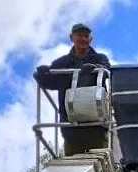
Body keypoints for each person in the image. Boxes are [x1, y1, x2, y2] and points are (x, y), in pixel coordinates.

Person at [34, 23, 111, 156]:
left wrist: (94, 68)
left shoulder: (100, 58)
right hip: (71, 127)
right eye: (79, 35)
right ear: (71, 38)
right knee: (72, 165)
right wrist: (41, 76)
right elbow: (51, 82)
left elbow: (106, 70)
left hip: (96, 125)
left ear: (90, 39)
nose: (83, 39)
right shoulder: (61, 63)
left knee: (101, 165)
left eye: (86, 36)